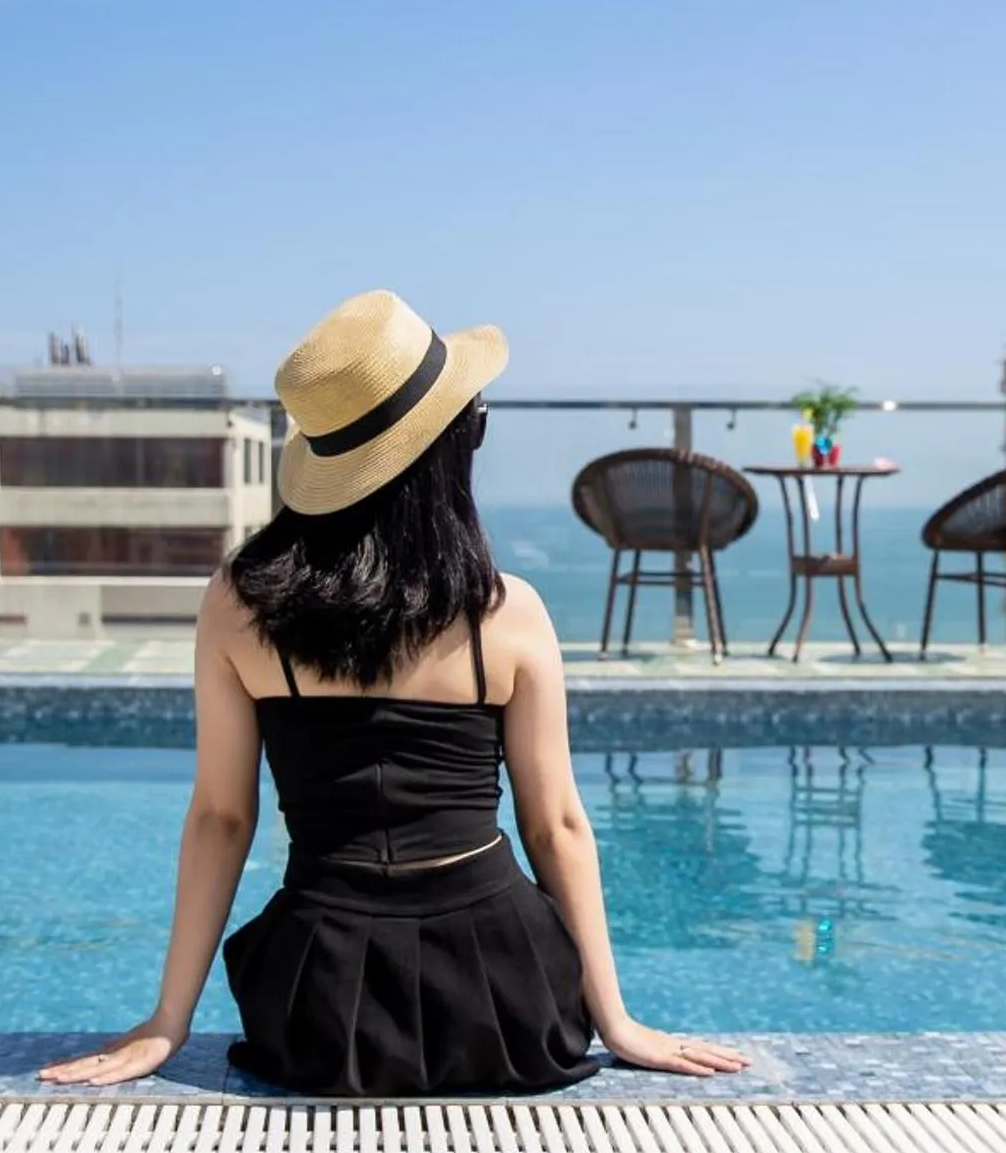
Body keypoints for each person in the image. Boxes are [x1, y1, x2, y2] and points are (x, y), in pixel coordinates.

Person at [41, 290, 747, 1095]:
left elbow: (221, 816)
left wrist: (168, 1020)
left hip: (318, 1007)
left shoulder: (238, 604)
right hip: (505, 1006)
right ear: (448, 448)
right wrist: (615, 1020)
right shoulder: (502, 614)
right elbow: (554, 825)